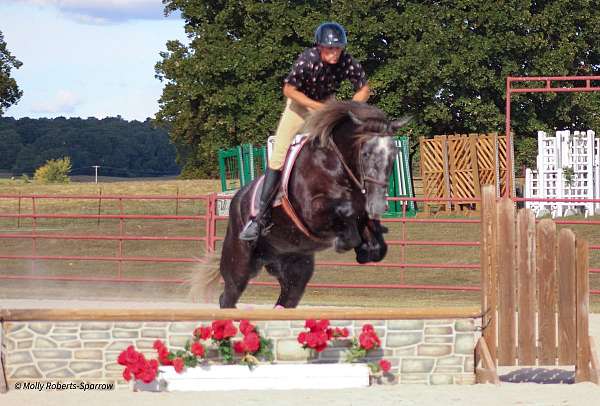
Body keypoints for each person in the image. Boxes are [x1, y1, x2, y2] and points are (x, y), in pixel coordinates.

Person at [239, 21, 371, 241]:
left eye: (338, 48)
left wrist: (349, 107)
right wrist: (316, 107)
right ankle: (259, 218)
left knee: (342, 146)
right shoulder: (307, 60)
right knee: (279, 155)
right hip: (299, 108)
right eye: (330, 48)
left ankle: (353, 202)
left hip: (327, 106)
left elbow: (364, 88)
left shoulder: (346, 61)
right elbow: (289, 90)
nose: (334, 53)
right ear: (319, 47)